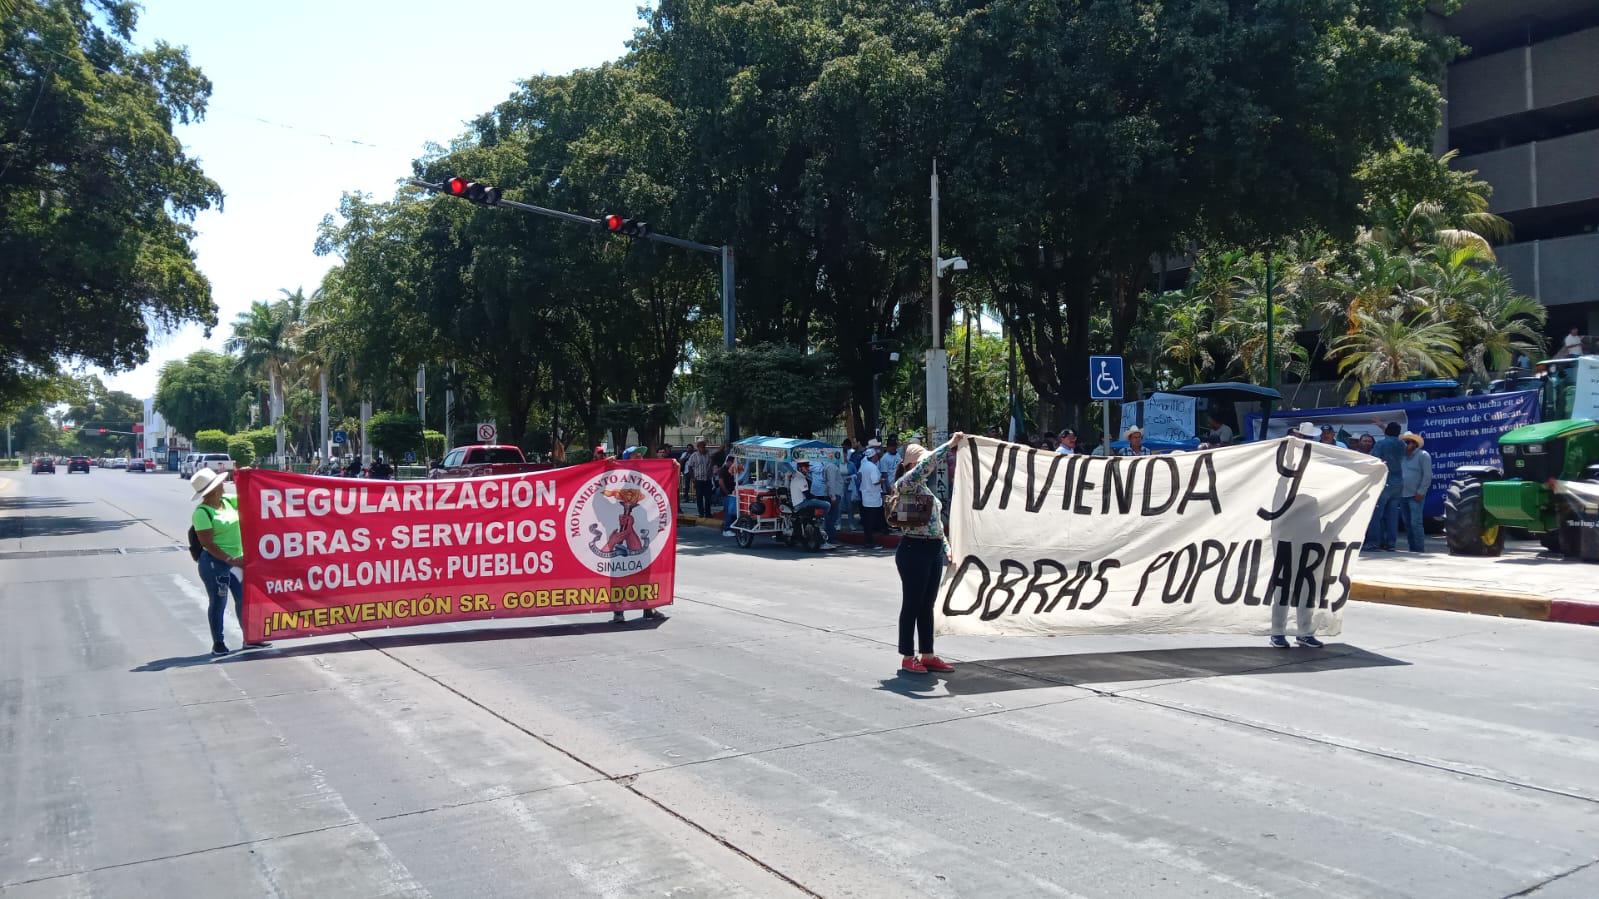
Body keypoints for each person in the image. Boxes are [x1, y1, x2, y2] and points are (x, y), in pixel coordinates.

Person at [892, 433, 965, 675]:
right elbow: (928, 463)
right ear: (912, 464)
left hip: (932, 549)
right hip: (914, 549)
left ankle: (928, 654)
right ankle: (907, 656)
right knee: (912, 604)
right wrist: (951, 444)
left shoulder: (923, 488)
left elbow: (934, 523)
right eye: (922, 462)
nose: (928, 467)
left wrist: (947, 548)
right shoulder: (906, 483)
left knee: (927, 606)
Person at [190, 469, 268, 655]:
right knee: (218, 602)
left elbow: (250, 496)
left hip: (238, 561)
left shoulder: (228, 501)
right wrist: (230, 559)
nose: (224, 485)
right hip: (215, 564)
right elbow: (207, 543)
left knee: (244, 600)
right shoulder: (202, 513)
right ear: (213, 489)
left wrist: (250, 477)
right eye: (220, 483)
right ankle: (218, 643)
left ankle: (250, 638)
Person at [1367, 422, 1406, 552]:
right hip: (1398, 482)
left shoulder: (1381, 444)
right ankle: (1391, 543)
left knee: (1376, 515)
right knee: (1392, 515)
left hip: (1384, 481)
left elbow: (1373, 460)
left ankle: (1373, 543)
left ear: (1386, 432)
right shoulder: (1402, 444)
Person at [787, 459, 835, 549]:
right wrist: (815, 498)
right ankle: (821, 519)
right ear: (801, 468)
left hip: (797, 504)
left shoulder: (795, 476)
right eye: (806, 467)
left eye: (808, 467)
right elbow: (807, 495)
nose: (808, 469)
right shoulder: (801, 479)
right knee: (827, 504)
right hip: (803, 503)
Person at [1399, 432, 1433, 553]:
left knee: (1415, 523)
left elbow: (1427, 476)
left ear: (1416, 444)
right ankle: (1412, 548)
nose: (1408, 444)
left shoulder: (1424, 455)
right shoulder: (1401, 456)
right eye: (1406, 442)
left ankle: (1419, 549)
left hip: (1416, 495)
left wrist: (1421, 492)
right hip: (1402, 494)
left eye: (1410, 442)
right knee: (1407, 524)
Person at [859, 443, 887, 547]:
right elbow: (875, 481)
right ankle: (870, 542)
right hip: (873, 497)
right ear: (874, 456)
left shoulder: (864, 465)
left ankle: (868, 540)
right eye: (876, 456)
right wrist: (883, 479)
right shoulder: (873, 467)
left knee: (867, 520)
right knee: (871, 521)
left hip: (865, 496)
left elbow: (859, 476)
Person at [684, 439, 714, 519]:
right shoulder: (694, 455)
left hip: (707, 479)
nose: (703, 448)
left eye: (704, 446)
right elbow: (690, 466)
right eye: (701, 447)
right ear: (698, 447)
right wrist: (693, 478)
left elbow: (712, 462)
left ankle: (708, 513)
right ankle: (701, 513)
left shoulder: (708, 454)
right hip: (698, 480)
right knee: (699, 497)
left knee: (708, 497)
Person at [823, 453, 845, 546]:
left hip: (834, 494)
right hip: (833, 495)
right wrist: (833, 496)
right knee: (831, 518)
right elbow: (831, 482)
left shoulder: (830, 465)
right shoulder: (831, 467)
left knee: (831, 517)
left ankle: (830, 537)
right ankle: (831, 538)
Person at [718, 457, 740, 537]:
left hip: (731, 493)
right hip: (727, 494)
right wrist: (726, 492)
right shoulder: (723, 470)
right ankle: (727, 529)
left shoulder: (731, 470)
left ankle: (726, 527)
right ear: (729, 462)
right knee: (728, 512)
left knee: (730, 511)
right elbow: (721, 482)